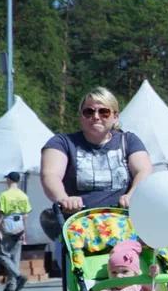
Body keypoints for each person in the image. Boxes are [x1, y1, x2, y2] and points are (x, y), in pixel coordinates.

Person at [41, 87, 153, 235]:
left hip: (125, 225)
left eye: (103, 112)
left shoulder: (129, 140)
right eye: (89, 112)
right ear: (81, 116)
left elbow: (144, 170)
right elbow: (50, 174)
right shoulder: (61, 142)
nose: (96, 116)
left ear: (115, 116)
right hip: (79, 228)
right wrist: (64, 199)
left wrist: (132, 195)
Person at [0, 172, 31, 291]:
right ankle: (12, 284)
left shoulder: (4, 195)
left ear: (9, 180)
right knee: (15, 255)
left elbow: (1, 214)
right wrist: (24, 231)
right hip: (19, 225)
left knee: (2, 254)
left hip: (8, 225)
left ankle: (18, 276)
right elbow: (25, 215)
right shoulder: (23, 196)